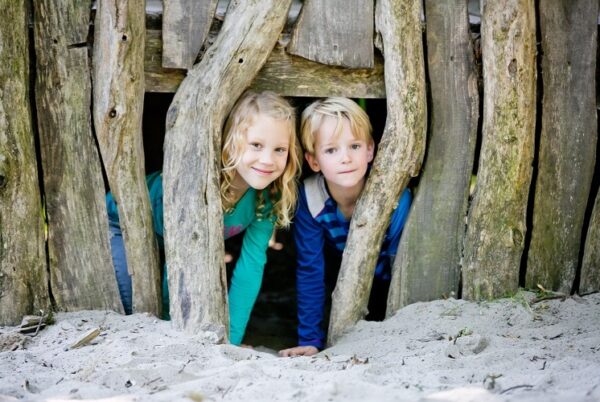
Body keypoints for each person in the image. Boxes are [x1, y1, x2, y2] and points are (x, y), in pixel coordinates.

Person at [106, 91, 302, 346]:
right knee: (139, 309)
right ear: (231, 142)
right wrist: (173, 329)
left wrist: (231, 342)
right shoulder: (202, 182)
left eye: (279, 149)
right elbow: (180, 263)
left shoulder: (268, 197)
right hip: (120, 225)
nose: (267, 160)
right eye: (256, 145)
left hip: (167, 244)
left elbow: (250, 267)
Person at [279, 98, 411, 357]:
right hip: (345, 284)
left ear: (370, 150)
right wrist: (310, 340)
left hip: (390, 285)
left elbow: (403, 265)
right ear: (313, 161)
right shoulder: (311, 199)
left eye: (355, 146)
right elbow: (311, 269)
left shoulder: (395, 197)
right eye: (331, 150)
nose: (346, 158)